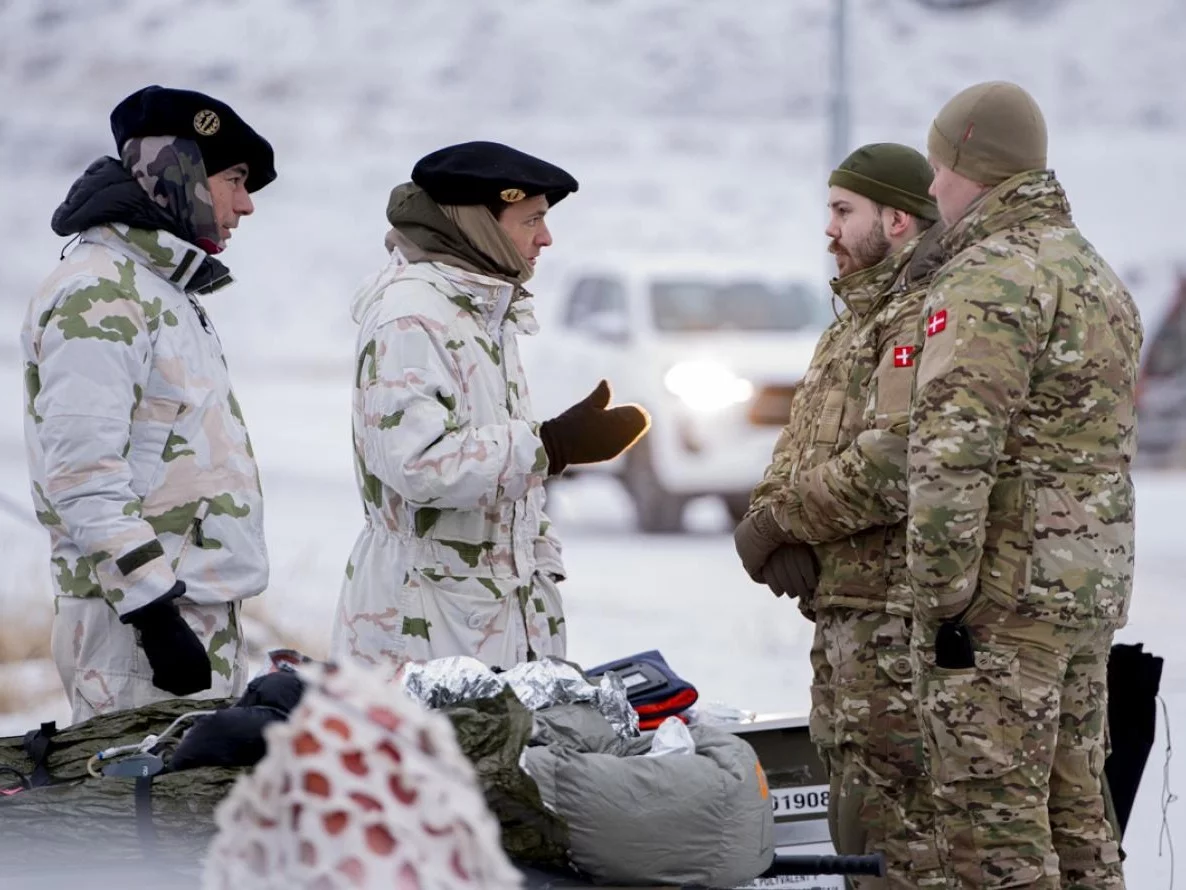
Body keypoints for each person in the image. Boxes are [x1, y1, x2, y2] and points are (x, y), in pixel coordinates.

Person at [907, 81, 1139, 889]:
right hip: (1084, 594)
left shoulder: (991, 277)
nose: (932, 187)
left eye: (940, 166)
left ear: (974, 164)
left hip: (1004, 605)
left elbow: (951, 453)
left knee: (992, 836)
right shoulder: (1094, 272)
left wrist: (940, 601)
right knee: (1079, 824)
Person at [332, 141, 649, 670]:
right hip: (423, 627)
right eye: (531, 220)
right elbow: (419, 465)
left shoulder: (481, 312)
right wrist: (551, 445)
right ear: (481, 223)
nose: (546, 238)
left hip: (482, 620)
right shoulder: (413, 315)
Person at [21, 85, 275, 722]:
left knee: (199, 820)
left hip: (191, 615)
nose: (245, 205)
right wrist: (153, 611)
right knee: (148, 822)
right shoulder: (98, 294)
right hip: (136, 632)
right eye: (235, 179)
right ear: (180, 173)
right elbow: (82, 474)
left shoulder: (162, 290)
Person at [733, 144, 947, 888]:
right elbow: (798, 445)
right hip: (846, 623)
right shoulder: (852, 319)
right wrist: (769, 518)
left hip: (898, 626)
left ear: (895, 219)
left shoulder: (929, 317)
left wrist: (781, 525)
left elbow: (897, 462)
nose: (827, 228)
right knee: (857, 823)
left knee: (901, 842)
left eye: (842, 211)